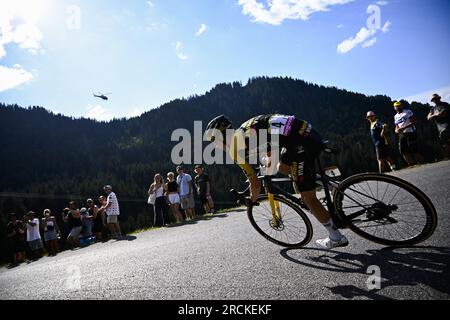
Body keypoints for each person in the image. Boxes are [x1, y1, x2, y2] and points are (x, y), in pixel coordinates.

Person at [205, 114, 348, 249]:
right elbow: (270, 151)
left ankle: (336, 237)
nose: (216, 146)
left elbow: (254, 182)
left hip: (299, 143)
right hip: (305, 131)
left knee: (308, 198)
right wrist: (267, 165)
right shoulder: (245, 129)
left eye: (215, 141)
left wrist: (252, 200)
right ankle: (330, 186)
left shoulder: (235, 149)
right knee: (284, 167)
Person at [393, 101, 424, 166]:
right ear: (394, 108)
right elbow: (397, 126)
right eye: (396, 106)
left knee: (414, 149)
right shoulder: (395, 116)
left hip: (411, 132)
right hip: (402, 134)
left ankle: (421, 163)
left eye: (399, 106)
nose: (398, 107)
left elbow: (414, 121)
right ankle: (411, 165)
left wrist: (404, 127)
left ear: (401, 106)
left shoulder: (407, 111)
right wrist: (396, 130)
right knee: (402, 150)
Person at [428, 93, 450, 159]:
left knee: (446, 140)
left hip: (447, 125)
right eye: (433, 99)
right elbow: (428, 117)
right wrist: (435, 115)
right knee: (444, 142)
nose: (435, 100)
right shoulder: (432, 109)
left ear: (439, 98)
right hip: (439, 128)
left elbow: (442, 114)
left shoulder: (445, 104)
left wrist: (433, 116)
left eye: (436, 98)